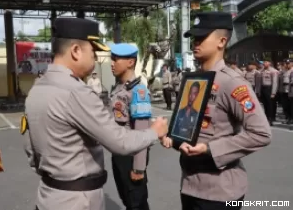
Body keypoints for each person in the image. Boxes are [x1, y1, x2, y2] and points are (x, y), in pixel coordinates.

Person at [22, 18, 169, 210]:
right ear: (76, 51)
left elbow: (31, 151)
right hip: (78, 200)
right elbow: (119, 141)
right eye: (94, 52)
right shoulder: (77, 92)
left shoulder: (37, 88)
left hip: (48, 195)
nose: (98, 59)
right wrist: (154, 132)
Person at [161, 12, 271, 210]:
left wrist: (210, 149)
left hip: (219, 192)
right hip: (190, 185)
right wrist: (172, 138)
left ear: (221, 41)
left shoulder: (231, 82)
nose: (196, 41)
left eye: (202, 37)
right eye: (194, 37)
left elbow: (261, 133)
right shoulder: (194, 80)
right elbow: (189, 126)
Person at [109, 43, 151, 210]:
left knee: (137, 204)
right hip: (119, 156)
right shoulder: (120, 89)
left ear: (130, 62)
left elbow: (142, 134)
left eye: (116, 59)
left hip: (131, 158)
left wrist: (139, 169)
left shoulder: (138, 92)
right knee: (128, 201)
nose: (112, 63)